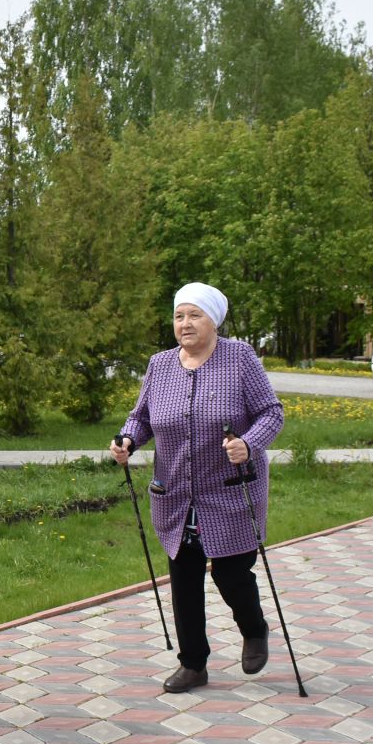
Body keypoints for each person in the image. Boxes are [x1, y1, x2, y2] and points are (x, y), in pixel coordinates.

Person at [109, 282, 284, 693]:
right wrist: (128, 440)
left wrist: (248, 443)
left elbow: (271, 413)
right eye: (179, 316)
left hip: (229, 489)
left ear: (213, 320)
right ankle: (193, 663)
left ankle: (254, 629)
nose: (185, 324)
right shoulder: (161, 364)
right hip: (175, 493)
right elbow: (142, 418)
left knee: (231, 573)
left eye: (194, 315)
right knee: (184, 578)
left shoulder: (239, 358)